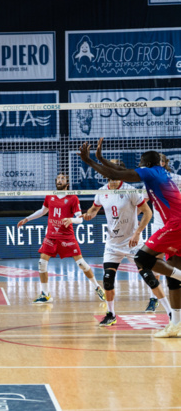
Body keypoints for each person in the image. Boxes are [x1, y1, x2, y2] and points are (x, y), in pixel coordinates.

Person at [79, 139, 181, 337]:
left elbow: (115, 174)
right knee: (173, 278)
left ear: (147, 165)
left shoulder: (152, 172)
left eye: (141, 163)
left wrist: (89, 161)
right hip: (174, 225)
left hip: (175, 225)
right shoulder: (159, 173)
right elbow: (116, 172)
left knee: (143, 259)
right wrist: (100, 158)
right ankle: (176, 325)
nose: (139, 167)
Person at [17, 173, 106, 304]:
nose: (60, 180)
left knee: (81, 263)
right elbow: (42, 211)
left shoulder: (73, 198)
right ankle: (45, 294)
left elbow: (79, 220)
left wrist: (70, 219)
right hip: (51, 236)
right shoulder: (50, 196)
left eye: (63, 178)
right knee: (42, 264)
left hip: (67, 236)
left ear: (67, 183)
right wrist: (27, 219)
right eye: (58, 178)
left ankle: (97, 288)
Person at [143, 153, 181, 312]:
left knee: (172, 265)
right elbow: (142, 201)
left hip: (174, 226)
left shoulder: (176, 179)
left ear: (164, 163)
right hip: (158, 226)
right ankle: (154, 299)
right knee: (155, 264)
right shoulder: (151, 181)